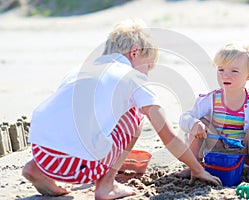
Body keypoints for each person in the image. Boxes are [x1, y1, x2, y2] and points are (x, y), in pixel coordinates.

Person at [22, 19, 221, 200]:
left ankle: (35, 169)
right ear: (135, 52)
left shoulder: (81, 69)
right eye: (147, 66)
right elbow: (167, 133)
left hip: (42, 153)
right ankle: (106, 185)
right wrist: (196, 168)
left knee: (70, 114)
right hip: (78, 167)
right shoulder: (133, 79)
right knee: (136, 116)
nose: (146, 74)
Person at [178, 41, 249, 182]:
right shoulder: (210, 99)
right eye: (221, 70)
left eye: (234, 71)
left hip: (246, 153)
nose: (225, 75)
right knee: (200, 123)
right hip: (219, 150)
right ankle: (194, 167)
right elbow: (185, 118)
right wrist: (193, 123)